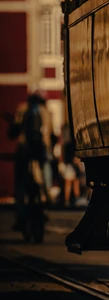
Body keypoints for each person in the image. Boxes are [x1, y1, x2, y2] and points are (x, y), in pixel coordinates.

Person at [8, 92, 52, 236]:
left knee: (20, 185)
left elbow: (13, 131)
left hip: (24, 151)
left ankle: (21, 215)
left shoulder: (22, 109)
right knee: (44, 181)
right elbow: (50, 133)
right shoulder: (45, 111)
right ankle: (45, 204)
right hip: (41, 151)